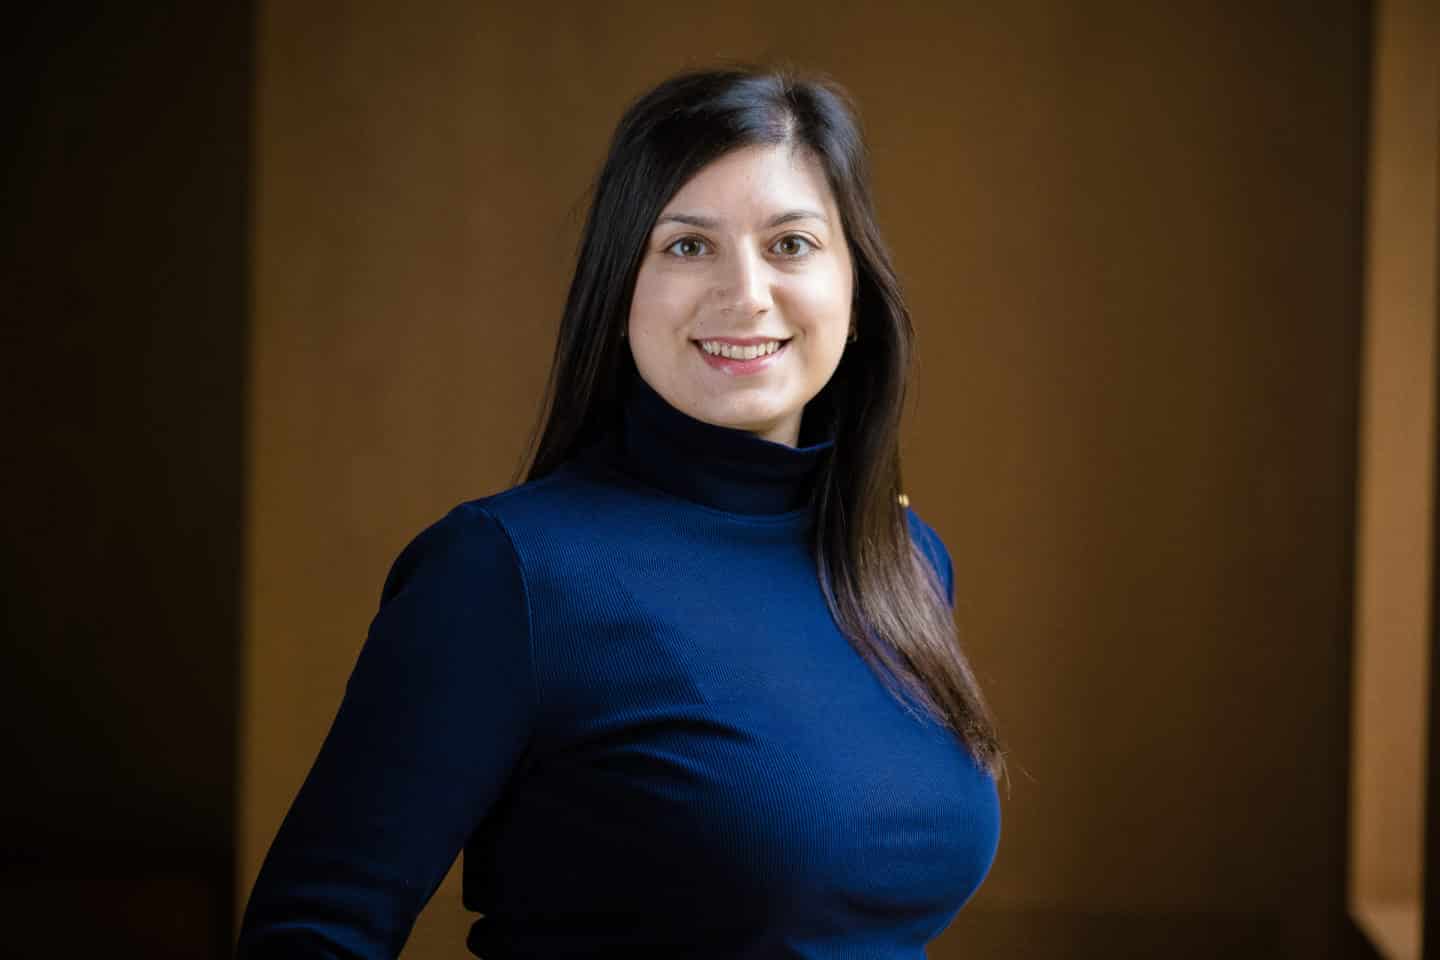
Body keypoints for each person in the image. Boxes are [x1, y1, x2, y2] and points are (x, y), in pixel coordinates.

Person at [236, 64, 1004, 959]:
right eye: (687, 246)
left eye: (791, 244)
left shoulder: (903, 560)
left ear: (857, 291)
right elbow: (312, 934)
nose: (746, 293)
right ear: (619, 291)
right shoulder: (504, 573)